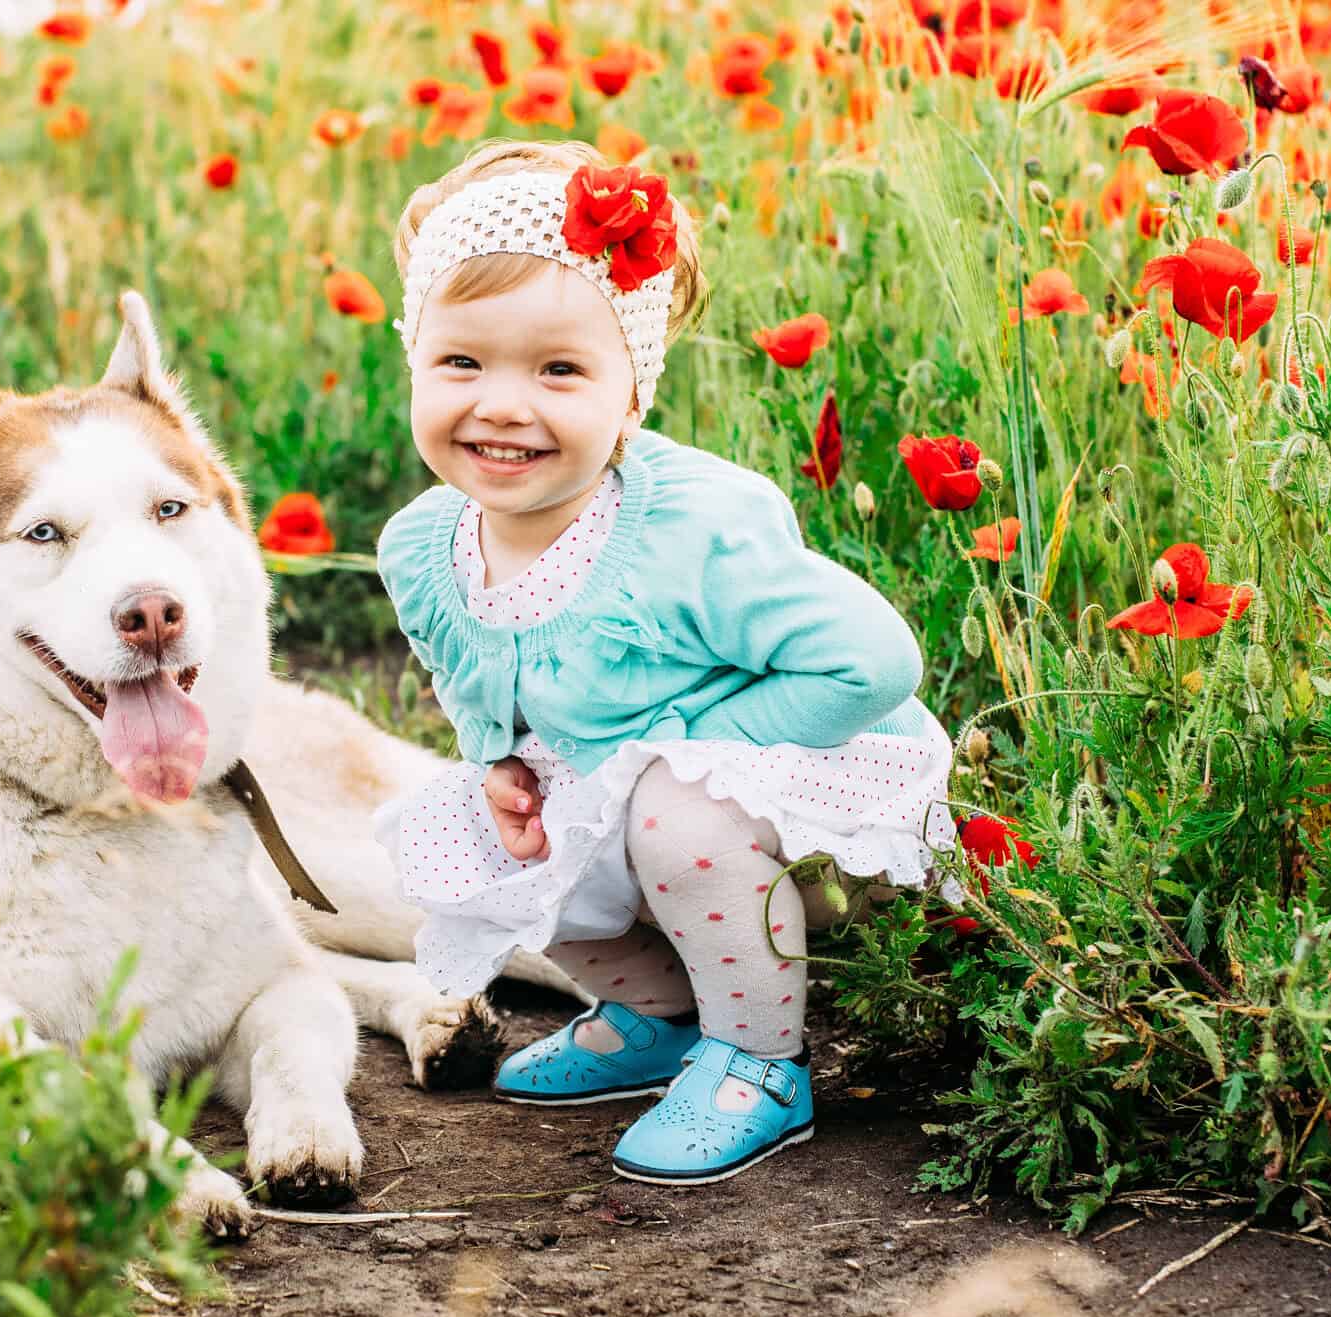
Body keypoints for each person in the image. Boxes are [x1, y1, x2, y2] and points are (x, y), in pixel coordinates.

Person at [370, 139, 964, 1185]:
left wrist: (680, 754)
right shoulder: (422, 546)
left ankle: (760, 1062)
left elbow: (871, 666)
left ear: (631, 394)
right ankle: (660, 1017)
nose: (503, 404)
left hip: (804, 800)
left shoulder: (689, 528)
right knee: (480, 832)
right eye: (461, 363)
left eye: (558, 370)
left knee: (670, 811)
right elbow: (470, 678)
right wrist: (498, 763)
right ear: (413, 362)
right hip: (622, 788)